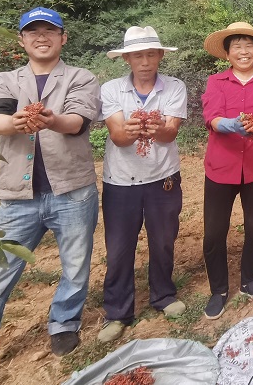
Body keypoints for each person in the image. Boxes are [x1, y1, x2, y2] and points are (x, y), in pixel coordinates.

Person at [0, 8, 100, 380]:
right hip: (16, 197)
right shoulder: (4, 80)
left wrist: (50, 120)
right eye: (32, 32)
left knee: (75, 266)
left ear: (63, 37)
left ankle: (64, 322)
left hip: (72, 190)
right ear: (22, 40)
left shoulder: (81, 78)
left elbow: (76, 122)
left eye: (49, 31)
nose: (41, 37)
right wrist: (15, 122)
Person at [96, 26, 187, 343]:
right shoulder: (111, 90)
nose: (145, 61)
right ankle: (118, 311)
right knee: (119, 248)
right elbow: (119, 138)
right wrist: (134, 129)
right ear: (127, 59)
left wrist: (157, 126)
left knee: (163, 240)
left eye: (150, 54)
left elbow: (170, 133)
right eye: (138, 55)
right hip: (120, 182)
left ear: (160, 56)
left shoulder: (174, 88)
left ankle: (163, 295)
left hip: (163, 178)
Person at [200, 22, 253, 320]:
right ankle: (219, 289)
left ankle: (249, 278)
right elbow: (211, 115)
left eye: (248, 46)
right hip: (221, 166)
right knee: (214, 233)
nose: (243, 51)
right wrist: (228, 124)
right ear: (227, 54)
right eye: (236, 46)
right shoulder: (216, 82)